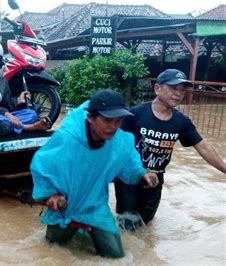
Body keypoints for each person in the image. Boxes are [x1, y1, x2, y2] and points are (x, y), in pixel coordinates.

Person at [30, 89, 159, 258]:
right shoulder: (68, 138)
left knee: (116, 257)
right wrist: (51, 194)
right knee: (51, 251)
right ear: (90, 118)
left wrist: (143, 174)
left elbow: (128, 158)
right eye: (107, 120)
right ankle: (80, 232)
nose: (113, 127)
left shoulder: (117, 139)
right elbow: (42, 163)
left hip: (95, 206)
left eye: (118, 121)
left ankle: (86, 231)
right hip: (66, 207)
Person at [115, 69, 226, 230]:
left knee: (145, 227)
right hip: (129, 179)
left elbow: (204, 147)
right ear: (157, 88)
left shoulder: (181, 122)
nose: (178, 94)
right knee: (127, 224)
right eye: (173, 88)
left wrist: (224, 169)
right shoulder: (135, 115)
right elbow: (116, 145)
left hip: (155, 182)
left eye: (182, 89)